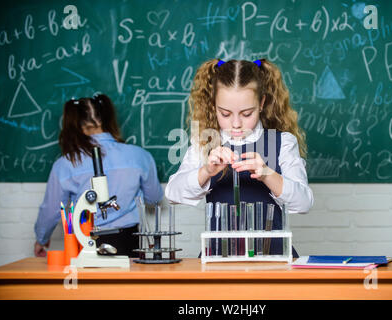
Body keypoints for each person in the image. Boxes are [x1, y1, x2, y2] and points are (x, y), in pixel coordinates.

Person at [165, 59, 314, 257]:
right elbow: (172, 193)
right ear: (214, 105)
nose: (236, 123)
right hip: (218, 258)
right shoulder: (205, 142)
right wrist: (206, 171)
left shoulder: (282, 142)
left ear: (261, 103)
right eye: (225, 113)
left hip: (274, 258)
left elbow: (304, 203)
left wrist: (268, 174)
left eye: (246, 113)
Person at [34, 94, 163, 258]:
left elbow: (51, 210)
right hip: (129, 240)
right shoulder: (139, 156)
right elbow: (154, 198)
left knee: (89, 284)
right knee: (129, 283)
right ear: (108, 117)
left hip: (84, 240)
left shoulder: (66, 164)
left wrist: (41, 239)